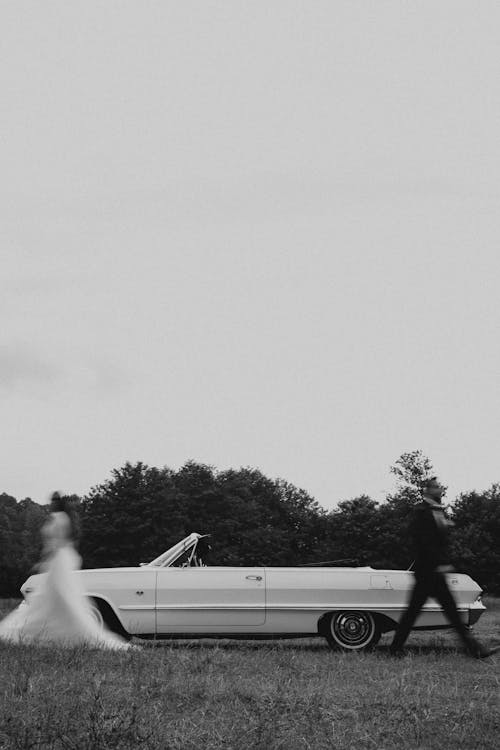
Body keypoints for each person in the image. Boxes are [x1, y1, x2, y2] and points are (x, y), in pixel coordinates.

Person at [0, 492, 130, 650]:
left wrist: (44, 559)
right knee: (57, 597)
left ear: (57, 502)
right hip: (61, 558)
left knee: (57, 597)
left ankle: (50, 630)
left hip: (57, 558)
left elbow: (56, 543)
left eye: (53, 501)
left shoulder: (57, 518)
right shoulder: (65, 518)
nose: (51, 504)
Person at [389, 477, 495, 658]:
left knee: (439, 612)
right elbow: (423, 541)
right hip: (427, 572)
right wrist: (438, 564)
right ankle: (475, 649)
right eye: (437, 487)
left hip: (434, 573)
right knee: (423, 613)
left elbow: (439, 541)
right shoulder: (421, 511)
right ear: (428, 490)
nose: (440, 489)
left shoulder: (437, 511)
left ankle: (475, 649)